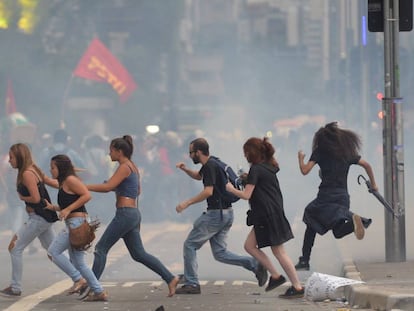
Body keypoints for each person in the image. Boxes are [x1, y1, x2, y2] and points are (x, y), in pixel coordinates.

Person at [85, 135, 179, 297]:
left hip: (125, 214)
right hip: (133, 213)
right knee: (138, 254)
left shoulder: (124, 167)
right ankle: (170, 278)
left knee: (101, 249)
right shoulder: (132, 166)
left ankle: (95, 289)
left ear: (119, 151)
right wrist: (117, 186)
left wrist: (84, 186)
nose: (109, 154)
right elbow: (137, 190)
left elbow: (108, 187)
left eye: (111, 151)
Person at [175, 137, 267, 295]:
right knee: (220, 253)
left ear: (198, 152)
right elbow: (199, 176)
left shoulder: (210, 166)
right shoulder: (214, 163)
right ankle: (255, 264)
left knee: (189, 245)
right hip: (227, 213)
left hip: (215, 215)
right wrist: (185, 170)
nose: (190, 156)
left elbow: (208, 191)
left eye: (191, 153)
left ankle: (192, 283)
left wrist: (187, 203)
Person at [226, 137, 305, 299]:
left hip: (266, 215)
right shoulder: (268, 167)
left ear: (251, 153)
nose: (245, 155)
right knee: (250, 246)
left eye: (246, 152)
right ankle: (276, 276)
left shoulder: (256, 169)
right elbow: (259, 185)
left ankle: (296, 286)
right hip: (271, 213)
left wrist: (230, 189)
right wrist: (247, 179)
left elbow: (246, 195)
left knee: (278, 251)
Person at [294, 122, 378, 271]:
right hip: (342, 198)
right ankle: (354, 222)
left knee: (310, 218)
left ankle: (304, 260)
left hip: (325, 197)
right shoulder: (346, 152)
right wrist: (374, 184)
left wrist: (300, 158)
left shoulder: (320, 152)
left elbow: (305, 170)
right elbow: (367, 165)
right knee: (338, 232)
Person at [44, 154, 107, 301]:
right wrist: (53, 207)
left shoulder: (70, 180)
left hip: (77, 224)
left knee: (53, 252)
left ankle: (78, 279)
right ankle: (99, 292)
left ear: (60, 167)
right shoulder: (64, 183)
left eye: (53, 167)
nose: (51, 170)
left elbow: (86, 195)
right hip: (74, 222)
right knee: (79, 262)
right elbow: (66, 206)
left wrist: (67, 210)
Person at [0, 143, 58, 297]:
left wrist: (22, 197)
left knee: (15, 248)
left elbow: (36, 198)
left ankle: (15, 287)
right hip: (44, 217)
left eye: (11, 157)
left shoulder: (26, 173)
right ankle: (79, 277)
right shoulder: (34, 168)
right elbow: (51, 182)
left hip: (39, 218)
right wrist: (69, 185)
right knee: (54, 252)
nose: (10, 160)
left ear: (19, 157)